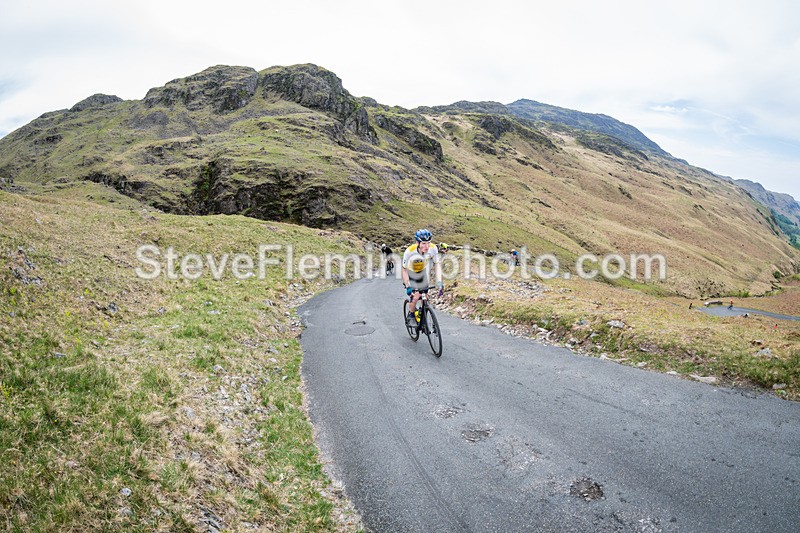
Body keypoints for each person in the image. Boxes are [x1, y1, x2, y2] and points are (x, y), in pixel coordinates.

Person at [402, 229, 443, 327]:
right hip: (411, 272)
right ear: (417, 243)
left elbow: (437, 265)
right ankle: (411, 315)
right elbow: (404, 270)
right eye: (424, 243)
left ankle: (422, 312)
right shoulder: (409, 251)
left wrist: (439, 282)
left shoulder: (433, 249)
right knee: (416, 296)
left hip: (422, 272)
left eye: (428, 243)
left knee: (425, 294)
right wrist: (408, 286)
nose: (427, 246)